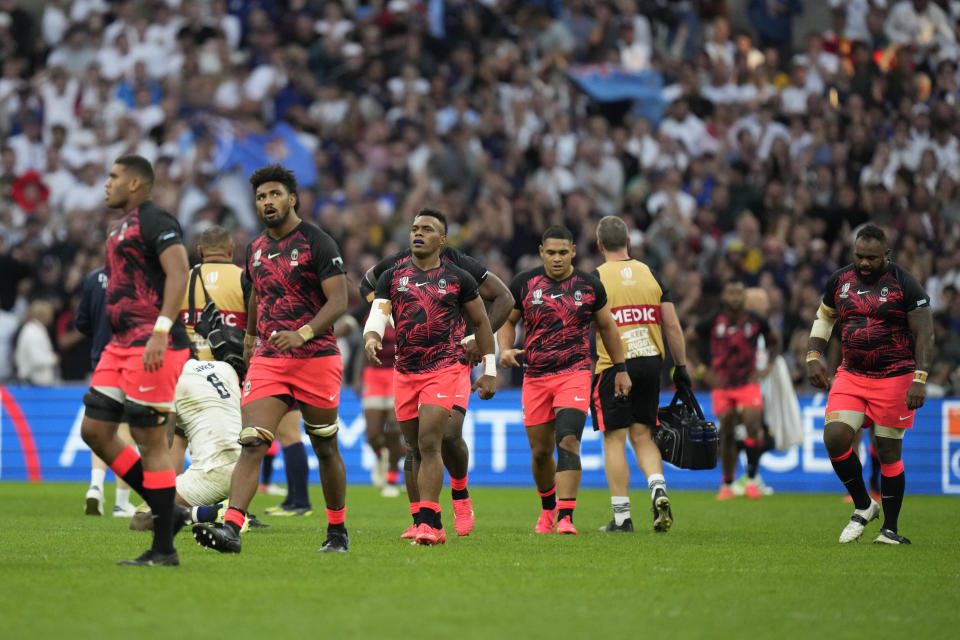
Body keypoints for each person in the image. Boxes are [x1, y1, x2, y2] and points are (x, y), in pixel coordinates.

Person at [192, 164, 350, 554]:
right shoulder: (257, 248)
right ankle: (231, 526)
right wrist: (249, 337)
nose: (267, 202)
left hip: (316, 357)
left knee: (325, 446)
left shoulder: (317, 241)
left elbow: (340, 300)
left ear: (292, 198)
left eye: (275, 194)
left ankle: (337, 530)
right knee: (252, 441)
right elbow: (256, 293)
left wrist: (304, 333)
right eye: (261, 197)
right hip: (270, 359)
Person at [79, 154, 191, 566]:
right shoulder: (117, 228)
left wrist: (161, 330)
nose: (106, 183)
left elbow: (179, 273)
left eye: (113, 176)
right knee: (95, 430)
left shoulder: (156, 219)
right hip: (120, 345)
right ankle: (169, 511)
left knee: (148, 441)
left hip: (153, 343)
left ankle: (164, 547)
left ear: (135, 184)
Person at [363, 209, 498, 545]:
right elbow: (378, 311)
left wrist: (490, 370)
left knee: (430, 441)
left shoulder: (458, 278)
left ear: (443, 239)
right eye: (413, 228)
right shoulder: (392, 276)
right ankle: (430, 522)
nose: (417, 233)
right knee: (414, 447)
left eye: (427, 229)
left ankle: (431, 518)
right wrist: (372, 336)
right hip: (405, 370)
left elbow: (481, 323)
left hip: (446, 368)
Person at [499, 225, 632, 535]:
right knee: (541, 452)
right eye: (551, 253)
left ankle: (566, 517)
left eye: (563, 252)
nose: (557, 258)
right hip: (535, 377)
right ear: (541, 252)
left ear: (573, 251)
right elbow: (509, 321)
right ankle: (548, 509)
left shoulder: (589, 285)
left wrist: (621, 368)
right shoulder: (524, 284)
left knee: (569, 439)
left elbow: (608, 328)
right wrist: (504, 349)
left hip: (574, 373)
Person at [807, 224, 933, 545]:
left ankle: (889, 529)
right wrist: (812, 355)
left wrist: (920, 378)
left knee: (888, 450)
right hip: (851, 374)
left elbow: (925, 334)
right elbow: (825, 318)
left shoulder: (905, 284)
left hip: (895, 376)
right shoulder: (839, 281)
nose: (864, 263)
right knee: (835, 437)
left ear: (886, 255)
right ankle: (864, 505)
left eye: (872, 258)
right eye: (860, 256)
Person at [590, 216, 692, 533]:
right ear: (629, 243)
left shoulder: (595, 278)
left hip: (614, 365)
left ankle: (622, 518)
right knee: (643, 435)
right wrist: (682, 367)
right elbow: (672, 325)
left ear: (599, 245)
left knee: (614, 440)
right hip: (651, 361)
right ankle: (658, 488)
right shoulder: (651, 274)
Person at [689, 278, 780, 500]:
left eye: (739, 293)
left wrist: (766, 367)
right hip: (723, 384)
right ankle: (727, 483)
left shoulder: (756, 320)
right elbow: (688, 340)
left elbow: (775, 340)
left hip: (747, 383)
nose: (736, 297)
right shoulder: (712, 320)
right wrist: (702, 372)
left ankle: (751, 480)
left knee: (752, 424)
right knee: (727, 431)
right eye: (731, 293)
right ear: (724, 297)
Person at [75, 266, 135, 518]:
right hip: (130, 358)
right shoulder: (138, 274)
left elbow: (82, 322)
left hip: (101, 360)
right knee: (124, 432)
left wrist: (101, 337)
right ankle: (121, 502)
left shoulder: (92, 278)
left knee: (100, 428)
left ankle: (96, 487)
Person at [356, 317, 404, 497]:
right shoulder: (374, 315)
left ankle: (392, 477)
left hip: (396, 374)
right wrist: (357, 377)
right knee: (372, 435)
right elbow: (364, 348)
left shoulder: (404, 311)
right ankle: (382, 456)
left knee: (393, 426)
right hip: (373, 376)